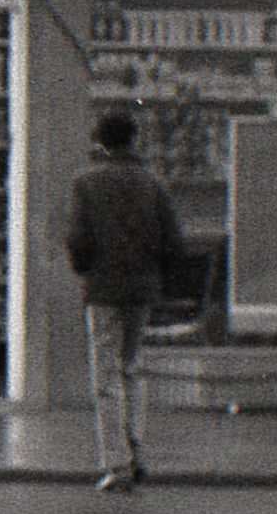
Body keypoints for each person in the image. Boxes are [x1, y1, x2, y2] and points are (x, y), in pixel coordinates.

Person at [65, 109, 186, 493]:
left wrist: (87, 268)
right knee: (132, 367)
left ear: (100, 143)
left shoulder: (86, 183)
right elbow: (174, 240)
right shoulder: (152, 183)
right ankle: (137, 452)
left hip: (102, 287)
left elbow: (77, 239)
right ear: (134, 141)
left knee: (105, 376)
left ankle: (116, 464)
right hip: (142, 287)